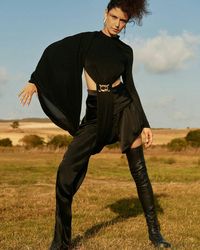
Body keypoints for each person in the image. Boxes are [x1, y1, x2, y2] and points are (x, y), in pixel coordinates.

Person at [18, 0, 171, 249]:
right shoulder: (85, 41)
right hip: (95, 112)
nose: (118, 25)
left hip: (123, 107)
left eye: (123, 21)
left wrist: (144, 123)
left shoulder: (125, 52)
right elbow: (54, 53)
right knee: (65, 172)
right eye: (114, 18)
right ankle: (61, 242)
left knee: (139, 172)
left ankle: (155, 233)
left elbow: (130, 86)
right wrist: (35, 81)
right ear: (105, 14)